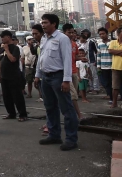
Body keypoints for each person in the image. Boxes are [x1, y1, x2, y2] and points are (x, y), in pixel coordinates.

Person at [34, 14, 79, 151]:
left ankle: (71, 139)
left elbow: (67, 60)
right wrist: (37, 75)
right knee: (50, 107)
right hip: (46, 77)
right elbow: (41, 58)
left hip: (58, 77)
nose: (43, 25)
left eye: (45, 22)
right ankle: (54, 135)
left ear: (54, 24)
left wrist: (66, 80)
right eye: (42, 22)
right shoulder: (44, 39)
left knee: (67, 108)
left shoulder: (62, 39)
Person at [0, 30, 28, 121]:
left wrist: (7, 50)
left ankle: (22, 114)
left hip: (13, 76)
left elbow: (13, 59)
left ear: (8, 37)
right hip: (4, 76)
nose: (2, 39)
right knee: (6, 96)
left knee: (17, 96)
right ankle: (11, 113)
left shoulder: (15, 48)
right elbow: (0, 62)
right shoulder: (2, 48)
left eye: (3, 37)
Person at [80, 29, 99, 95]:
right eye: (83, 33)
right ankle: (91, 88)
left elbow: (96, 52)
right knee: (88, 75)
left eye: (86, 33)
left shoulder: (91, 42)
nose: (85, 35)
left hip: (92, 61)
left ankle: (96, 88)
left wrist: (96, 61)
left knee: (94, 75)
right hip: (85, 62)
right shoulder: (81, 44)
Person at [97, 27, 113, 103]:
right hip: (103, 67)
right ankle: (111, 98)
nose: (102, 35)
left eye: (103, 33)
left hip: (113, 66)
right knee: (107, 83)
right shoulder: (99, 44)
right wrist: (98, 66)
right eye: (100, 34)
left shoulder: (113, 42)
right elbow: (98, 56)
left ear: (107, 34)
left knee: (115, 83)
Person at [108, 26, 122, 108]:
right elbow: (110, 51)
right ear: (119, 34)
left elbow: (113, 51)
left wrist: (116, 52)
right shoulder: (113, 42)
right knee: (115, 87)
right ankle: (114, 103)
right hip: (116, 68)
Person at [31, 24, 43, 102]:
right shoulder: (39, 46)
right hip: (42, 74)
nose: (34, 36)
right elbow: (39, 60)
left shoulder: (48, 43)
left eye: (36, 34)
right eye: (33, 34)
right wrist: (37, 75)